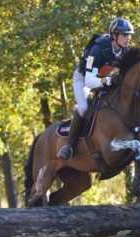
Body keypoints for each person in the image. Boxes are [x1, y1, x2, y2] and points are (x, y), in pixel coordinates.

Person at [57, 18, 134, 160]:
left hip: (104, 79)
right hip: (84, 79)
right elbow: (90, 81)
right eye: (124, 35)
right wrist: (110, 80)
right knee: (84, 108)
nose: (128, 38)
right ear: (114, 35)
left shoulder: (126, 50)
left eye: (129, 35)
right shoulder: (97, 49)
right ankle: (69, 145)